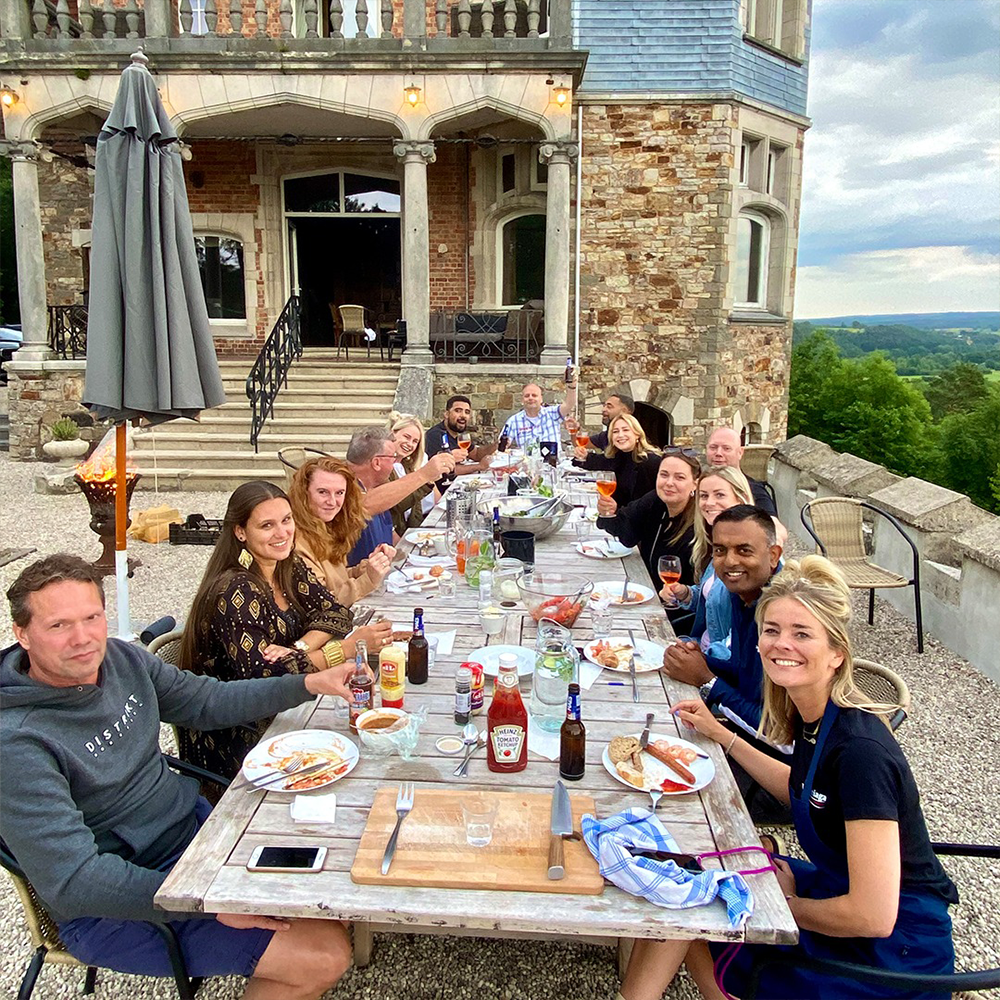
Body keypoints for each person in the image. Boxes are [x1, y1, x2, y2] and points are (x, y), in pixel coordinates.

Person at [0, 553, 354, 997]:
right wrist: (207, 904)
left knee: (338, 877)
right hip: (121, 902)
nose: (83, 638)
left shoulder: (123, 661)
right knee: (324, 955)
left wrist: (305, 685)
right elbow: (77, 883)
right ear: (22, 634)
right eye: (58, 625)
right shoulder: (17, 744)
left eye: (92, 617)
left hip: (196, 835)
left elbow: (205, 702)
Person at [622, 556, 958, 1000]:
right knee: (693, 873)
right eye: (772, 630)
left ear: (837, 652)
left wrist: (778, 905)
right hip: (839, 891)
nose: (782, 645)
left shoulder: (861, 754)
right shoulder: (816, 715)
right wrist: (720, 734)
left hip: (893, 953)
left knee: (699, 894)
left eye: (802, 634)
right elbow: (803, 788)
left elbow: (873, 915)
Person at [179, 480, 392, 779]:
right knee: (357, 752)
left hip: (286, 708)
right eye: (267, 525)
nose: (282, 533)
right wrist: (342, 649)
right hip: (240, 735)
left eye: (286, 520)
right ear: (240, 532)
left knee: (373, 740)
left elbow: (335, 613)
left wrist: (298, 649)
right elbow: (266, 675)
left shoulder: (287, 564)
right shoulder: (234, 590)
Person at [662, 504, 789, 823]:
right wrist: (701, 662)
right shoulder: (744, 595)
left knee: (672, 791)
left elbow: (779, 734)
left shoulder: (782, 618)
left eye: (744, 550)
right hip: (752, 741)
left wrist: (708, 681)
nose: (730, 561)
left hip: (784, 781)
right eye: (720, 550)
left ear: (773, 555)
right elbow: (748, 673)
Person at [663, 465, 756, 661]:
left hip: (715, 663)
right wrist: (686, 594)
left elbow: (747, 635)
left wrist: (701, 657)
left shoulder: (753, 557)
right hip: (696, 644)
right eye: (704, 496)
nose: (709, 502)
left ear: (740, 499)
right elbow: (712, 601)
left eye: (719, 495)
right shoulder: (718, 544)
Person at [289, 455, 395, 606]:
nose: (332, 502)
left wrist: (368, 567)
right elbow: (322, 601)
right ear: (304, 493)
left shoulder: (327, 526)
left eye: (339, 493)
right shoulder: (295, 541)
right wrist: (369, 579)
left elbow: (338, 580)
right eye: (322, 492)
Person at [345, 426, 455, 565]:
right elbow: (363, 505)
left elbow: (393, 538)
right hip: (360, 580)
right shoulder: (341, 485)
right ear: (377, 463)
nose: (396, 463)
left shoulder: (378, 489)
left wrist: (425, 557)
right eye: (393, 458)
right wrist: (424, 474)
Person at [596, 450, 700, 589]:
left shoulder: (700, 523)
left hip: (679, 607)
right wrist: (609, 513)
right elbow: (628, 535)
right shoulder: (655, 501)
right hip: (647, 590)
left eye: (679, 477)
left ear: (695, 484)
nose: (669, 483)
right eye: (664, 475)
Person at [572, 413, 661, 508]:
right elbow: (596, 462)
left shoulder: (650, 461)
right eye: (615, 432)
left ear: (637, 434)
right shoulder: (620, 455)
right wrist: (582, 456)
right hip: (621, 516)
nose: (620, 435)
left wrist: (617, 509)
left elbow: (649, 503)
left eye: (626, 430)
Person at [498, 373, 578, 457]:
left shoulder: (552, 413)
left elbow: (569, 404)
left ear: (541, 399)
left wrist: (572, 386)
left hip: (553, 465)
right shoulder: (514, 421)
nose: (530, 398)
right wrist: (504, 445)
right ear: (522, 400)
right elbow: (501, 446)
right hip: (529, 466)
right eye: (527, 396)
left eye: (534, 395)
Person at [706, 426, 777, 515]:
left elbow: (773, 525)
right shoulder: (698, 486)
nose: (718, 453)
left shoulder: (754, 491)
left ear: (740, 452)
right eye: (713, 447)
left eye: (726, 448)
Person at [387, 412, 434, 534]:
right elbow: (398, 505)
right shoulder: (383, 468)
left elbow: (415, 512)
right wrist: (427, 478)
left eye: (415, 441)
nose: (410, 444)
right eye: (406, 437)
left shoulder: (407, 467)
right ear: (393, 433)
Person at [424, 394, 494, 476]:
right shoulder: (436, 435)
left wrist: (498, 444)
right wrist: (479, 466)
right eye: (458, 411)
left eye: (467, 412)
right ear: (446, 414)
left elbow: (476, 454)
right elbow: (443, 469)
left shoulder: (459, 435)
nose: (463, 415)